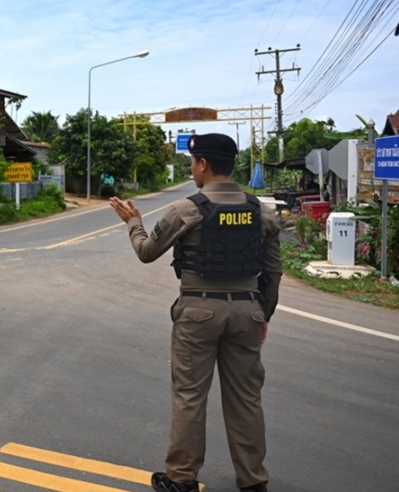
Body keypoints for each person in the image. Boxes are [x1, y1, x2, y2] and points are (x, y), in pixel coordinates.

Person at [109, 133, 282, 492]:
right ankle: (253, 481)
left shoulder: (188, 209)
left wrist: (133, 222)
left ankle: (182, 479)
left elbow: (146, 251)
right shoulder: (260, 211)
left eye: (192, 163)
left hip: (198, 312)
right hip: (247, 311)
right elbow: (274, 271)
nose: (192, 169)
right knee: (246, 400)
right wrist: (262, 314)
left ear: (203, 164)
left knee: (189, 397)